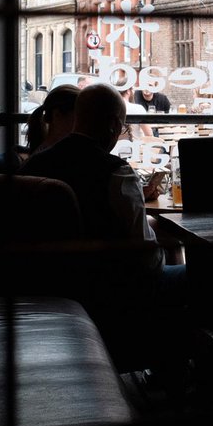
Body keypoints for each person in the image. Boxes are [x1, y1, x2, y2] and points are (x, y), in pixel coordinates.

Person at [20, 83, 184, 304]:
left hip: (47, 289)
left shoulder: (33, 165)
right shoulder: (117, 172)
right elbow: (147, 258)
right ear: (114, 124)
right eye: (123, 126)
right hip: (113, 294)